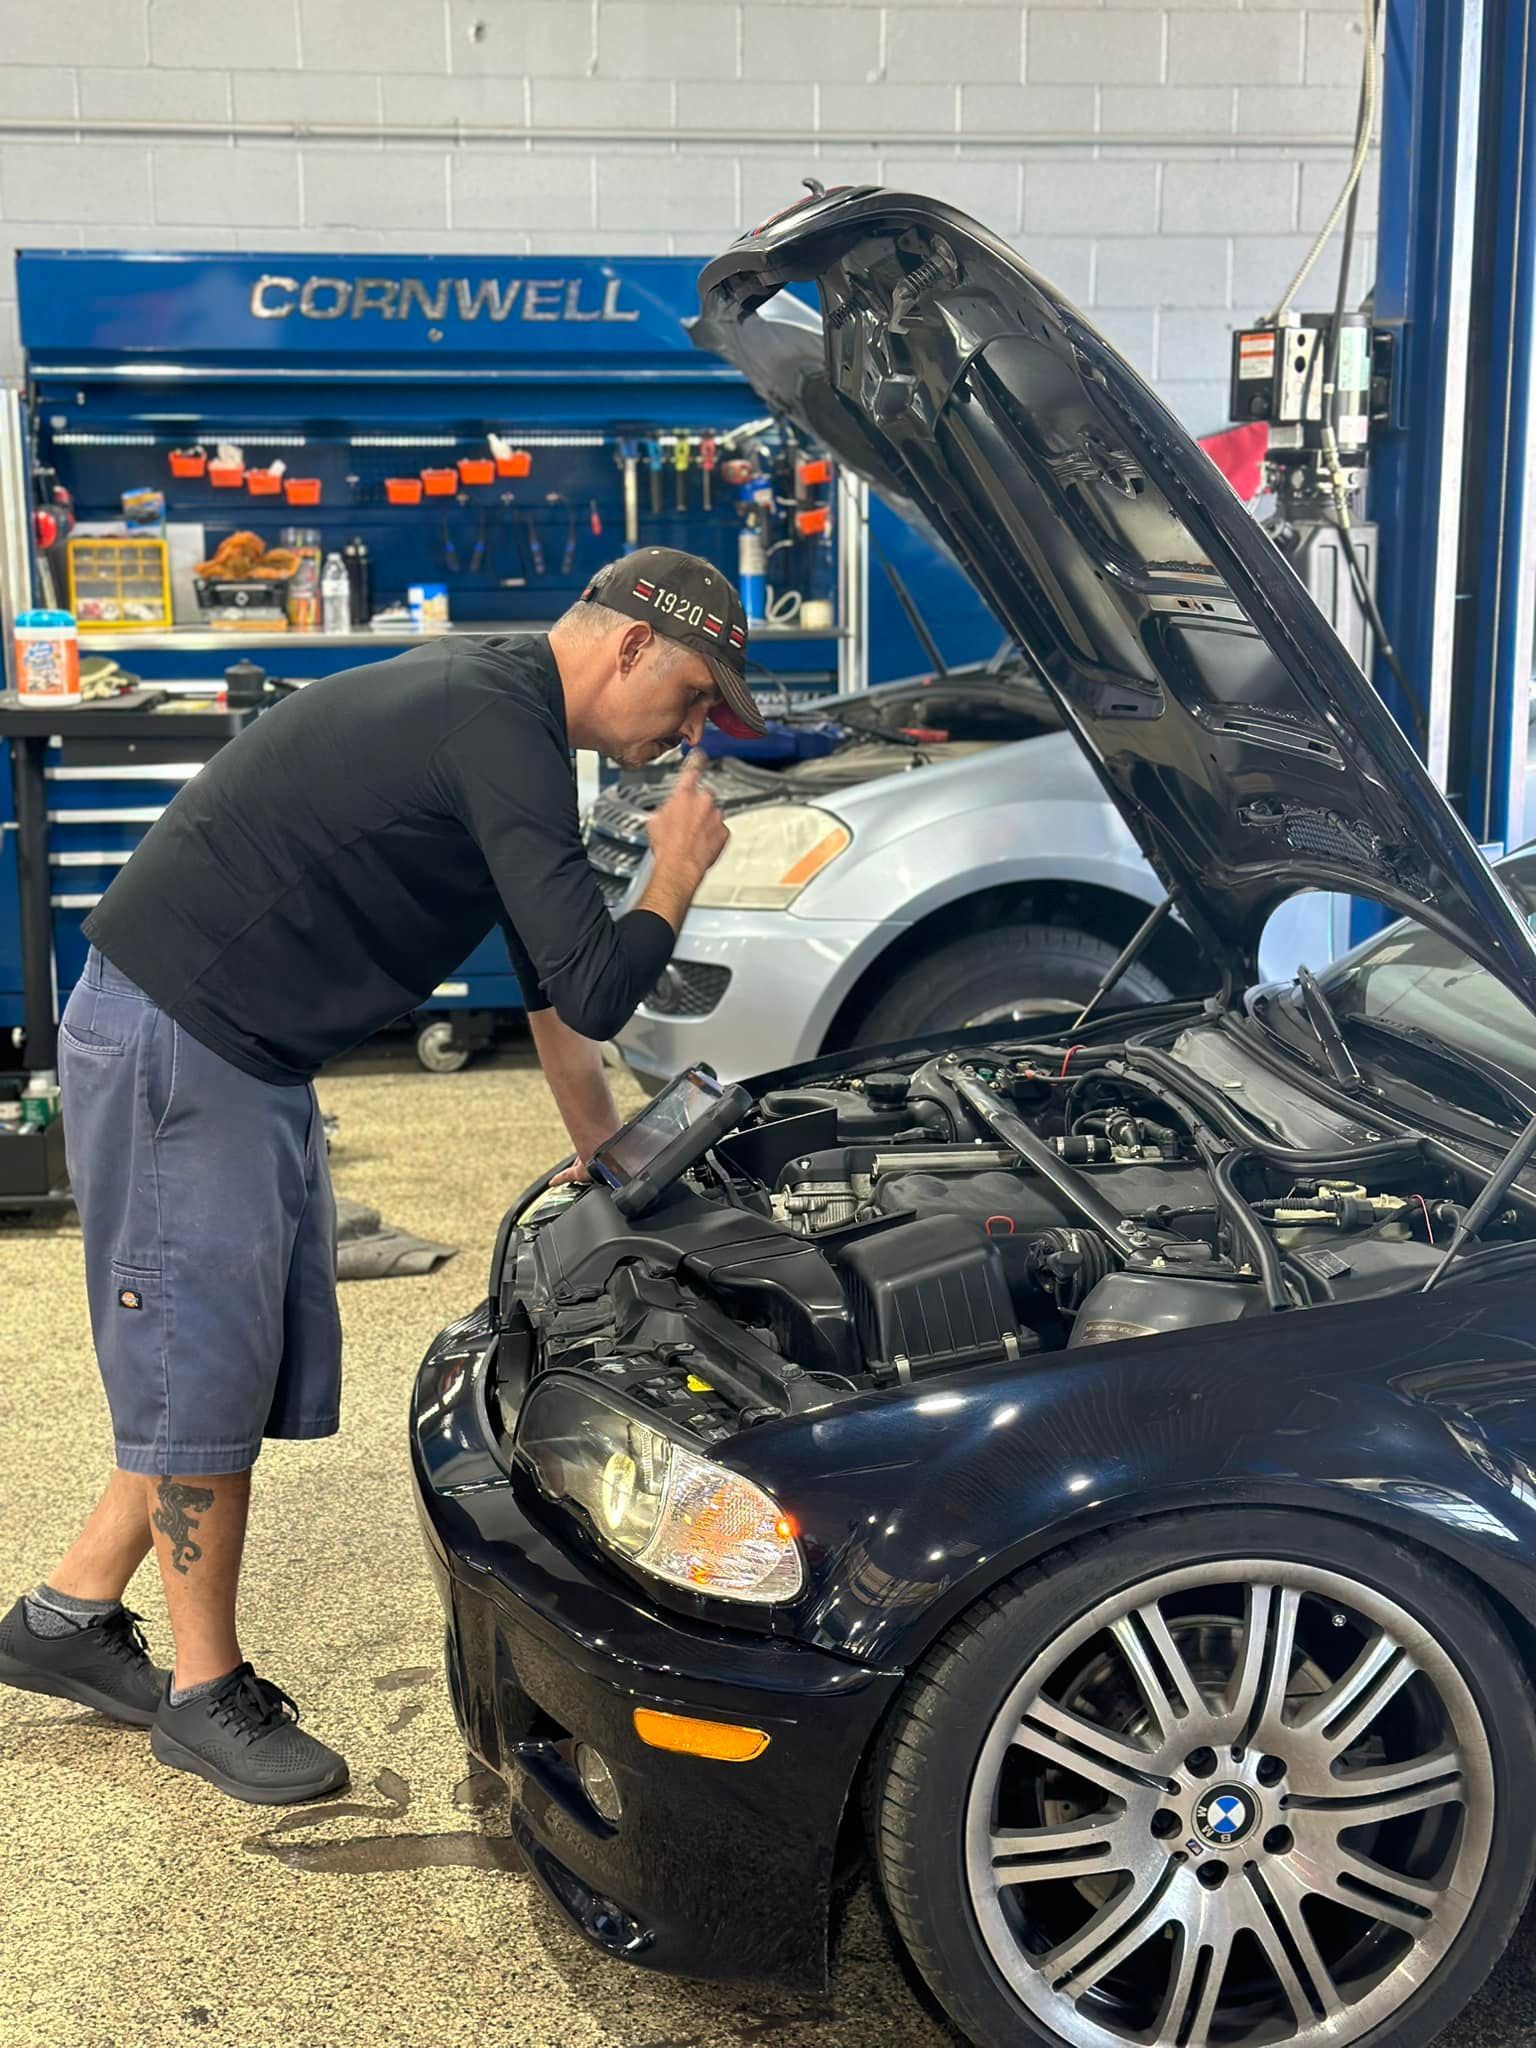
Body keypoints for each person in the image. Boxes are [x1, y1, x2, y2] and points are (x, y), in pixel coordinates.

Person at [0, 547, 761, 1805]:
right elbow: (599, 978)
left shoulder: (508, 716)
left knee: (224, 1349)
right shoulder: (495, 719)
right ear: (630, 643)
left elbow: (546, 976)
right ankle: (203, 1691)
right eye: (689, 697)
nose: (684, 732)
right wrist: (675, 870)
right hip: (182, 1040)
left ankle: (69, 1614)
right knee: (199, 1357)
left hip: (230, 1044)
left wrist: (608, 1155)